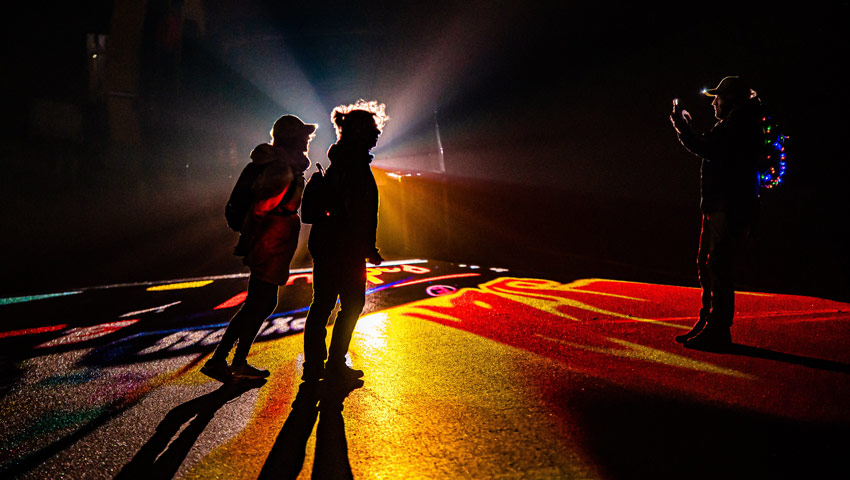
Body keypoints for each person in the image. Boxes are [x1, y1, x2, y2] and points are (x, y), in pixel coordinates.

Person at [201, 115, 316, 381]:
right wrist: (250, 242)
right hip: (269, 243)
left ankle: (232, 360)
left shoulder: (286, 166)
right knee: (259, 303)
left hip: (273, 242)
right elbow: (260, 209)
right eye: (303, 136)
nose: (307, 140)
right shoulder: (281, 170)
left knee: (260, 303)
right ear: (292, 139)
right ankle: (224, 360)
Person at [669, 76, 761, 350]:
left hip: (728, 206)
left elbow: (706, 149)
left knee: (719, 266)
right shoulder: (737, 123)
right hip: (720, 205)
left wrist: (682, 128)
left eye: (717, 99)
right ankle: (709, 322)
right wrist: (687, 129)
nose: (713, 104)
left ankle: (717, 329)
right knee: (709, 264)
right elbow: (709, 147)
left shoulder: (738, 126)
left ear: (730, 101)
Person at [301, 101, 387, 382]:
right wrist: (367, 247)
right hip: (345, 249)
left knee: (323, 304)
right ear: (359, 132)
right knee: (349, 304)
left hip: (329, 246)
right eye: (372, 129)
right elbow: (359, 213)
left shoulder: (342, 162)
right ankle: (334, 364)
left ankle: (316, 365)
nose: (377, 134)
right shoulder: (354, 166)